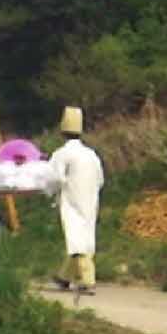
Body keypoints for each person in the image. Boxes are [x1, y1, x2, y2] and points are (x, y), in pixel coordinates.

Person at [47, 106, 105, 294]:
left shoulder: (61, 154)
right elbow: (100, 179)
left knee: (76, 238)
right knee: (85, 235)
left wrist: (50, 193)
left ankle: (87, 278)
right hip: (90, 199)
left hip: (71, 199)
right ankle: (64, 276)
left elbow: (53, 178)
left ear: (62, 130)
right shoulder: (91, 154)